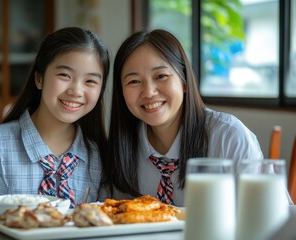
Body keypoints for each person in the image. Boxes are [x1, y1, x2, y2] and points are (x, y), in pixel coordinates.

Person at [0, 27, 110, 213]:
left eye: (90, 81)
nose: (76, 91)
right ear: (39, 78)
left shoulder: (98, 156)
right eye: (64, 75)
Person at [106, 29, 263, 207]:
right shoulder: (121, 147)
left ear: (184, 81)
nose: (149, 92)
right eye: (133, 81)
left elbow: (273, 219)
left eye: (161, 76)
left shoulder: (229, 136)